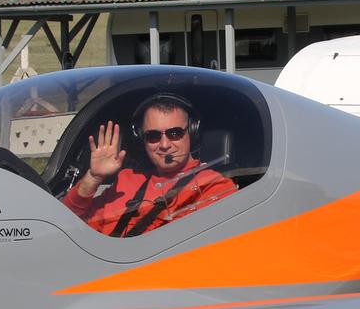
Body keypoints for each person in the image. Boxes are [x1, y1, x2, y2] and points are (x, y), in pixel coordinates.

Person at [63, 93, 237, 236]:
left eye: (174, 133)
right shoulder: (126, 181)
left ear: (192, 132)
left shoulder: (213, 187)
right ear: (142, 139)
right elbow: (65, 226)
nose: (164, 145)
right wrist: (93, 178)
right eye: (153, 136)